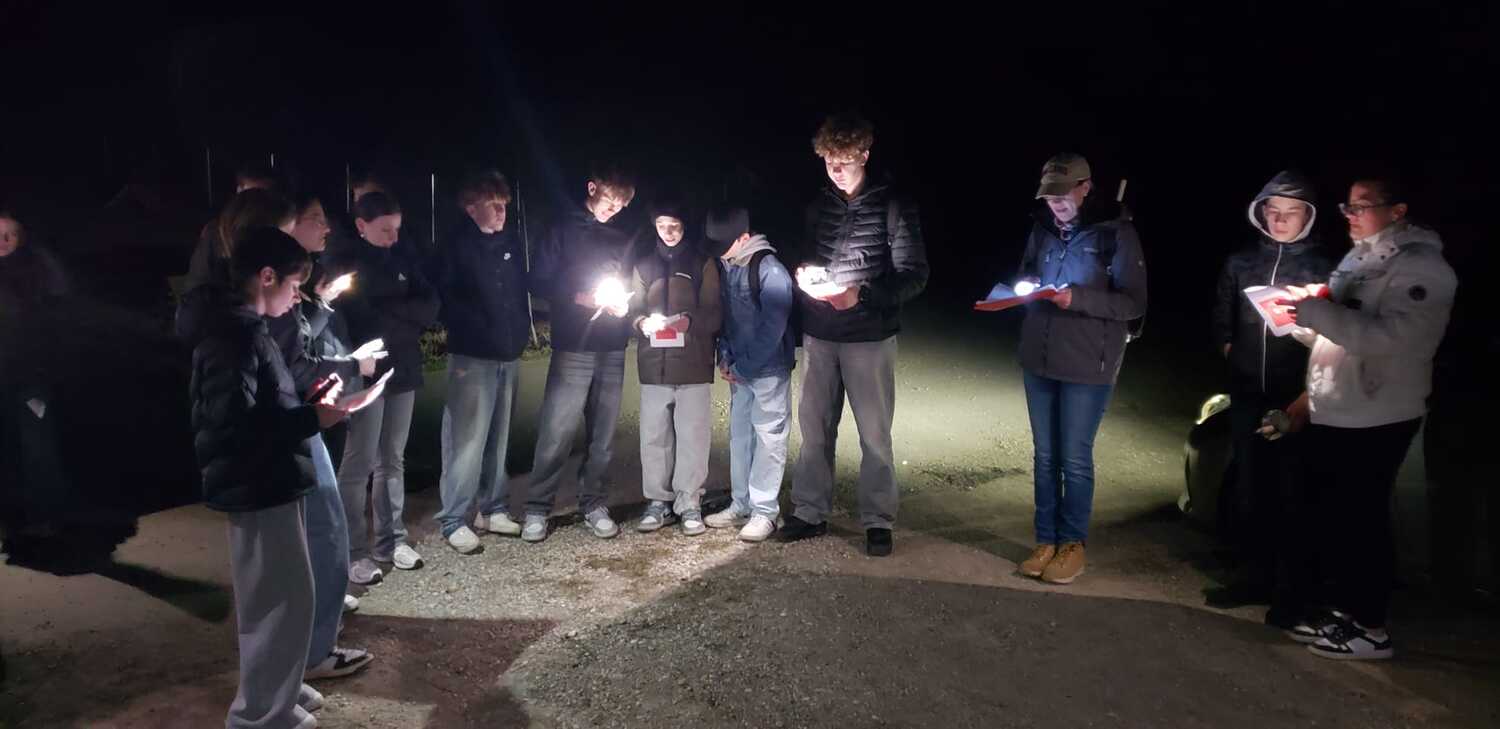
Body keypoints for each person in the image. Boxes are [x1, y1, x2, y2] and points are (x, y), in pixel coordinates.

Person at [182, 226, 353, 729]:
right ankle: (259, 715)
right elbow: (234, 426)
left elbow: (260, 407)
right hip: (255, 487)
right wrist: (311, 418)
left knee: (291, 598)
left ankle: (281, 692)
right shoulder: (231, 337)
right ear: (267, 276)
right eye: (294, 285)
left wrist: (308, 403)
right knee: (274, 603)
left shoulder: (249, 328)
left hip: (270, 481)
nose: (298, 297)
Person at [1280, 176, 1457, 660]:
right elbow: (1341, 329)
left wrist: (1318, 313)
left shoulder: (1422, 266)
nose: (1351, 215)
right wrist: (1299, 318)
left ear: (1398, 210)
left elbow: (1393, 340)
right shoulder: (1360, 257)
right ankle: (1346, 612)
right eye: (1348, 206)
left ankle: (1371, 629)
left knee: (1363, 521)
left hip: (1379, 412)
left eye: (1362, 206)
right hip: (1340, 406)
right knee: (1340, 518)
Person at [784, 112, 928, 557]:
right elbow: (806, 254)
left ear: (864, 155)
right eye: (829, 162)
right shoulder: (819, 205)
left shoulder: (893, 205)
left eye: (844, 161)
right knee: (814, 430)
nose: (836, 170)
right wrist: (804, 272)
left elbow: (915, 274)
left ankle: (878, 520)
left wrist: (862, 295)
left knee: (874, 436)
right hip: (820, 334)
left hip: (869, 337)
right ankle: (810, 511)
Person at [1011, 153, 1147, 585]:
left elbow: (1133, 303)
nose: (1055, 203)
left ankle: (1073, 544)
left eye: (1063, 194)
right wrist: (1026, 289)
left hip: (1089, 364)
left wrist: (1078, 298)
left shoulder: (1116, 233)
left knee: (1073, 457)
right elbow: (1025, 272)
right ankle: (1045, 540)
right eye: (1048, 196)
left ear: (1085, 187)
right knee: (1045, 456)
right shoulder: (1042, 228)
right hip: (1039, 358)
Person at [1207, 171, 1335, 620]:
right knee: (1250, 486)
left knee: (1294, 490)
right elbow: (1222, 315)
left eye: (1290, 213)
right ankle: (1253, 577)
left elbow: (1336, 331)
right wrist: (1231, 351)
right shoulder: (1241, 261)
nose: (1280, 220)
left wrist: (1309, 390)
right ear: (1260, 213)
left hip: (1296, 395)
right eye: (1273, 211)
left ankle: (1292, 589)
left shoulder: (1325, 266)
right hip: (1248, 392)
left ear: (1308, 216)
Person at [269, 192, 380, 679]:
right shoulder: (253, 321)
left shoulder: (264, 310)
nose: (299, 297)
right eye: (314, 218)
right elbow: (295, 362)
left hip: (298, 422)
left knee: (309, 542)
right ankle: (305, 660)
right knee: (318, 536)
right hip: (290, 432)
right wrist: (346, 370)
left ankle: (300, 662)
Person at [520, 165, 636, 543]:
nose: (614, 210)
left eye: (621, 206)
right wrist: (576, 296)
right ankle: (538, 507)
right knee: (557, 430)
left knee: (602, 435)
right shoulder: (561, 229)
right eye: (611, 201)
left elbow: (628, 283)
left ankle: (593, 503)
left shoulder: (620, 237)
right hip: (573, 344)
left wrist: (624, 305)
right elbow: (538, 281)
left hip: (612, 344)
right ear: (592, 188)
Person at [331, 191, 439, 583]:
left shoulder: (404, 256)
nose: (394, 237)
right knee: (359, 463)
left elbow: (431, 304)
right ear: (361, 226)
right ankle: (353, 551)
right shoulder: (344, 264)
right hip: (364, 374)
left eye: (397, 228)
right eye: (385, 230)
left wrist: (392, 313)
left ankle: (391, 540)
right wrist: (402, 316)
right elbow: (348, 317)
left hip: (403, 368)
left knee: (392, 459)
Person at [428, 170, 533, 553]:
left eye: (504, 204)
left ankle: (493, 508)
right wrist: (474, 328)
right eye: (493, 205)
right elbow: (444, 299)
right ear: (471, 208)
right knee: (466, 440)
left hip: (508, 354)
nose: (501, 211)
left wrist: (518, 334)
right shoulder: (455, 247)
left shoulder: (510, 242)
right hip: (472, 356)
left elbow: (518, 293)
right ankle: (453, 518)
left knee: (498, 437)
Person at [703, 205, 796, 542]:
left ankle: (765, 511)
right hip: (739, 369)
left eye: (723, 245)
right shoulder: (729, 264)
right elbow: (728, 317)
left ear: (743, 238)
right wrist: (726, 356)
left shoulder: (770, 271)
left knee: (769, 438)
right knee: (740, 437)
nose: (718, 252)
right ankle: (741, 503)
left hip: (768, 370)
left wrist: (743, 366)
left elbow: (773, 328)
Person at [629, 202, 721, 536]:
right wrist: (641, 323)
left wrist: (690, 322)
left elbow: (714, 313)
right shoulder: (643, 265)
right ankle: (658, 502)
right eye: (661, 225)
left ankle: (690, 502)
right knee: (654, 437)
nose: (667, 232)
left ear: (685, 226)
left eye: (675, 226)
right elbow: (633, 310)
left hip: (693, 365)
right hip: (654, 366)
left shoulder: (701, 263)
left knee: (693, 437)